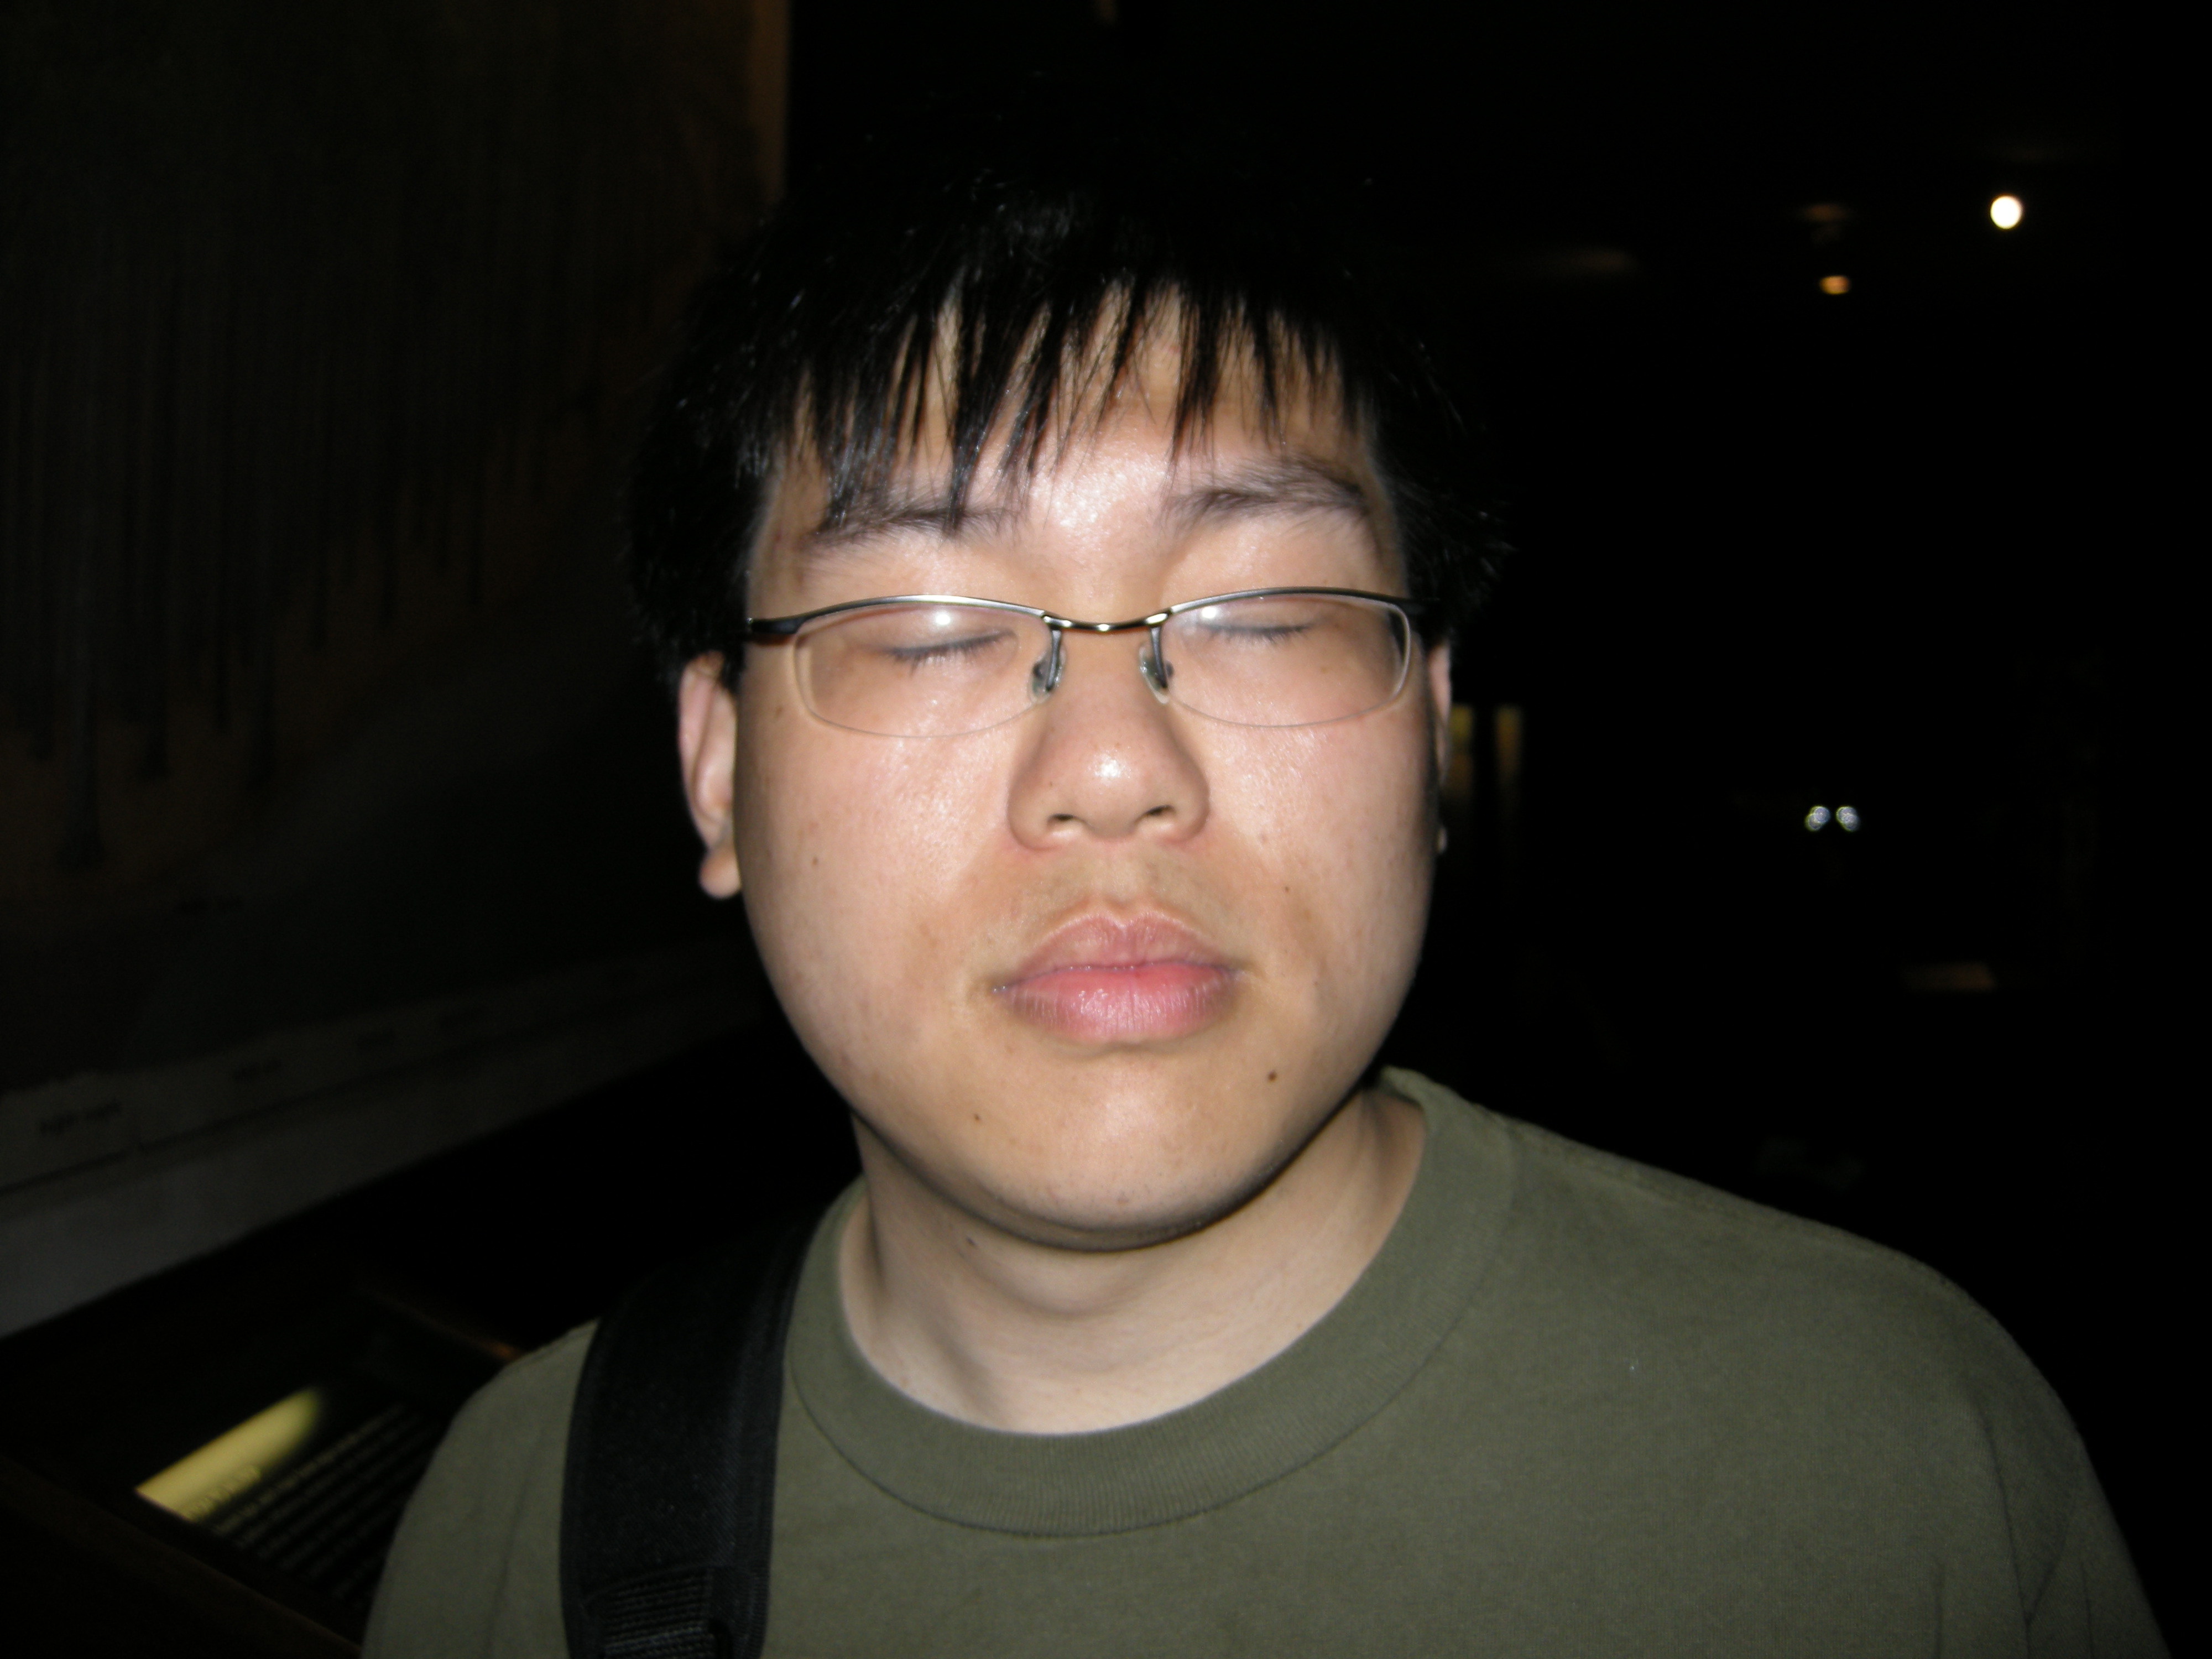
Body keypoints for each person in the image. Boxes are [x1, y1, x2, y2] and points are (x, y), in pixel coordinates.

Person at [365, 100, 2166, 1657]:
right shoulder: (529, 1524)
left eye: (1264, 613)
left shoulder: (1884, 1464)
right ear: (718, 766)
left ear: (1432, 726)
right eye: (927, 628)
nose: (1112, 769)